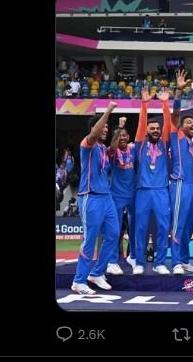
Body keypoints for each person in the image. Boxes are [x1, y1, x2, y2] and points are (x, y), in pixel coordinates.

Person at [71, 102, 119, 295]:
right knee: (89, 240)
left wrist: (119, 129)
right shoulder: (87, 145)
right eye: (103, 127)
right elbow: (94, 134)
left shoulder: (102, 149)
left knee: (114, 235)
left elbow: (113, 149)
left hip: (106, 198)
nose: (105, 130)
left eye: (107, 127)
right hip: (90, 197)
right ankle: (78, 281)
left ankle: (97, 273)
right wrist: (108, 111)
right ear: (94, 128)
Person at [133, 88, 172, 275]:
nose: (156, 130)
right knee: (140, 227)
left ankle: (160, 262)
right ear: (147, 131)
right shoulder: (140, 144)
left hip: (161, 190)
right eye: (152, 129)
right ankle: (139, 262)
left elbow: (168, 124)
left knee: (164, 227)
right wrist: (145, 104)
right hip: (143, 190)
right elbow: (142, 123)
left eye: (157, 128)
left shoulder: (164, 143)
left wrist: (165, 103)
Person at [168, 70, 193, 275]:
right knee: (179, 224)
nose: (192, 124)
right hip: (179, 183)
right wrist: (179, 91)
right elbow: (176, 113)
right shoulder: (177, 134)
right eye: (189, 122)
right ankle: (176, 261)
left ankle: (185, 260)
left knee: (189, 225)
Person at [106, 116, 137, 276]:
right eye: (119, 136)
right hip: (116, 195)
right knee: (115, 229)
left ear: (129, 136)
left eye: (124, 135)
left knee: (135, 227)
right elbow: (112, 146)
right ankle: (112, 261)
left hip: (133, 193)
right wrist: (119, 127)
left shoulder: (133, 149)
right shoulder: (111, 152)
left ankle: (133, 256)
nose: (122, 138)